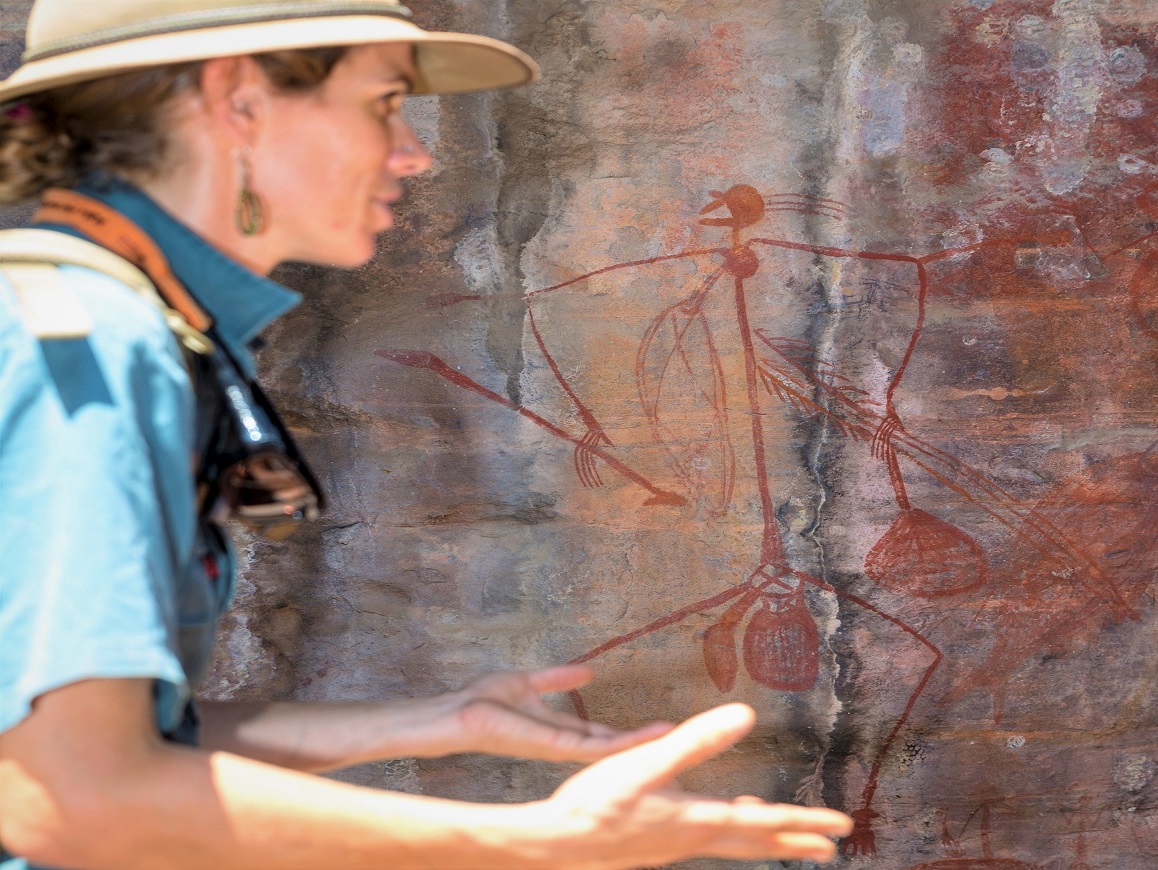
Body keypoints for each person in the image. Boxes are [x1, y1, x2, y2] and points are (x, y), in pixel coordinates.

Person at [0, 1, 853, 867]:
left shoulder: (108, 325)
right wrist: (532, 843)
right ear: (238, 99)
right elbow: (65, 795)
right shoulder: (88, 348)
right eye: (381, 103)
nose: (415, 151)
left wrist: (442, 722)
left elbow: (106, 741)